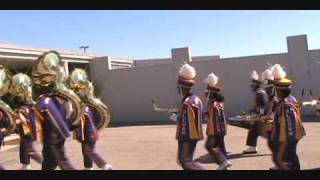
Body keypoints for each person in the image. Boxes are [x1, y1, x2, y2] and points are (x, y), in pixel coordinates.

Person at [32, 51, 83, 170]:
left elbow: (46, 120)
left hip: (52, 137)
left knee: (55, 163)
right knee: (57, 161)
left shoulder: (45, 101)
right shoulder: (62, 99)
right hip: (58, 136)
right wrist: (69, 127)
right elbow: (67, 117)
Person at [67, 68, 112, 170]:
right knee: (86, 151)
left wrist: (69, 127)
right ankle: (88, 167)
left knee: (90, 151)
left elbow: (76, 121)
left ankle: (105, 166)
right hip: (89, 134)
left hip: (89, 134)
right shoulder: (86, 107)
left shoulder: (82, 108)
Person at [269, 64, 306, 170]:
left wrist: (285, 141)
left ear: (280, 90)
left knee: (289, 156)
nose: (274, 91)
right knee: (289, 157)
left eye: (276, 89)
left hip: (289, 136)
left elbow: (290, 124)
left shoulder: (286, 104)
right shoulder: (287, 99)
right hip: (289, 135)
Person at [9, 73, 43, 170]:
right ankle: (26, 165)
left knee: (26, 146)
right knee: (25, 146)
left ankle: (31, 165)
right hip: (27, 122)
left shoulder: (26, 104)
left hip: (26, 124)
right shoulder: (27, 103)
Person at [175, 63, 205, 170]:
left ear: (182, 87)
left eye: (178, 86)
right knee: (183, 160)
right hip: (191, 135)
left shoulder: (188, 102)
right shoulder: (196, 99)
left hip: (187, 136)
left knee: (186, 161)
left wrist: (177, 117)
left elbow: (185, 122)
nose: (177, 88)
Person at [203, 73, 232, 170]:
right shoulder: (219, 103)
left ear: (211, 92)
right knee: (220, 147)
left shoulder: (212, 103)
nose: (205, 93)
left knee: (209, 146)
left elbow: (210, 117)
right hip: (221, 129)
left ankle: (224, 162)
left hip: (215, 130)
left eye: (207, 92)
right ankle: (224, 164)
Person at [243, 71, 268, 154]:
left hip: (261, 115)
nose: (251, 87)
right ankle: (253, 147)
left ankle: (253, 147)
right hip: (260, 114)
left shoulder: (259, 93)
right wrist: (252, 110)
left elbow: (262, 105)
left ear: (256, 85)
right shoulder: (260, 92)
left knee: (262, 131)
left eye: (252, 85)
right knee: (255, 131)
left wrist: (259, 116)